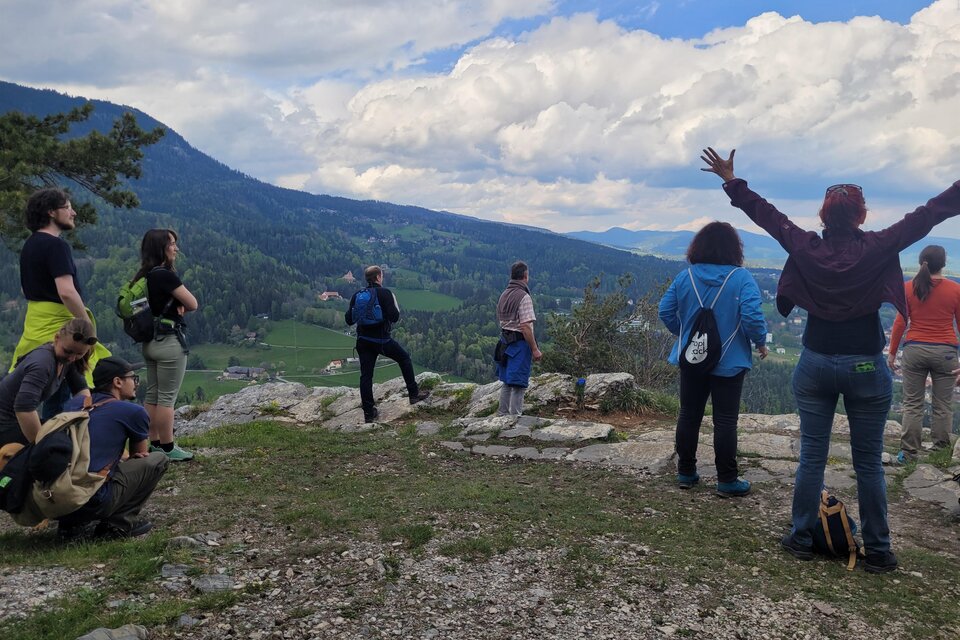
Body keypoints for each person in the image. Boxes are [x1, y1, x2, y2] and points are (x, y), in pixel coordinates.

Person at [702, 146, 960, 574]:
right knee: (868, 463)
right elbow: (928, 214)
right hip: (864, 365)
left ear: (823, 217)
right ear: (861, 216)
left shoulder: (806, 246)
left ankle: (802, 538)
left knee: (811, 457)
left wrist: (731, 181)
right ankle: (879, 551)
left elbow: (768, 216)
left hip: (817, 361)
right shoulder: (879, 244)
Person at [658, 222, 768, 497]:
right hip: (730, 361)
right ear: (734, 249)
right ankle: (727, 480)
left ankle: (685, 471)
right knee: (726, 420)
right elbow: (753, 318)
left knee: (689, 414)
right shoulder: (741, 278)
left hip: (692, 357)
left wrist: (684, 336)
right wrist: (760, 342)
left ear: (699, 246)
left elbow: (665, 311)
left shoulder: (686, 277)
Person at [10, 188, 110, 413]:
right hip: (58, 324)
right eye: (68, 207)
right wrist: (87, 327)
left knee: (40, 387)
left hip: (36, 324)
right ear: (51, 212)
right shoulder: (56, 245)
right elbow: (66, 291)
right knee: (62, 397)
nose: (73, 212)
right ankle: (57, 443)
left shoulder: (31, 245)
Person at [55, 356, 169, 540]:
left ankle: (69, 525)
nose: (136, 383)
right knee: (157, 460)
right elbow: (139, 456)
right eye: (133, 378)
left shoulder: (73, 405)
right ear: (117, 382)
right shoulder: (133, 411)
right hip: (94, 500)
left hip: (57, 497)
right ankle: (117, 525)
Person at [887, 245, 960, 462]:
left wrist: (892, 353)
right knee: (943, 404)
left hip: (915, 350)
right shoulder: (955, 290)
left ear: (921, 262)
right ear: (944, 264)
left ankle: (909, 453)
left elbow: (900, 323)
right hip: (946, 352)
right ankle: (941, 451)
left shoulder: (908, 287)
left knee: (912, 403)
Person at [135, 229, 197, 461]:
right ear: (162, 247)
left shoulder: (144, 275)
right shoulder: (166, 275)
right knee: (167, 398)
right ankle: (169, 447)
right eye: (172, 244)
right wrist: (181, 307)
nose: (176, 248)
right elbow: (193, 303)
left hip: (150, 342)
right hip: (170, 342)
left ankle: (153, 444)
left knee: (152, 395)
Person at [345, 266, 429, 422]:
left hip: (363, 341)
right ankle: (414, 394)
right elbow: (394, 317)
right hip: (381, 340)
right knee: (404, 358)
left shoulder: (357, 295)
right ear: (378, 277)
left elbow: (349, 319)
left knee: (366, 376)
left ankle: (369, 413)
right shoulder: (385, 293)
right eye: (381, 275)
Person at [0, 318, 94, 447]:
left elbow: (81, 390)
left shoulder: (68, 358)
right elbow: (24, 408)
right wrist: (41, 447)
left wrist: (87, 415)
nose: (72, 358)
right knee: (60, 448)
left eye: (79, 354)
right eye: (68, 351)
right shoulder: (42, 364)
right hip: (6, 424)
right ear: (56, 338)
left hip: (16, 420)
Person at [495, 261, 542, 416]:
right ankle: (515, 419)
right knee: (518, 384)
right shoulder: (523, 297)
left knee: (507, 382)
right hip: (519, 345)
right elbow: (526, 327)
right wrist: (535, 349)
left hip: (504, 343)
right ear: (525, 276)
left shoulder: (504, 295)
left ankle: (502, 415)